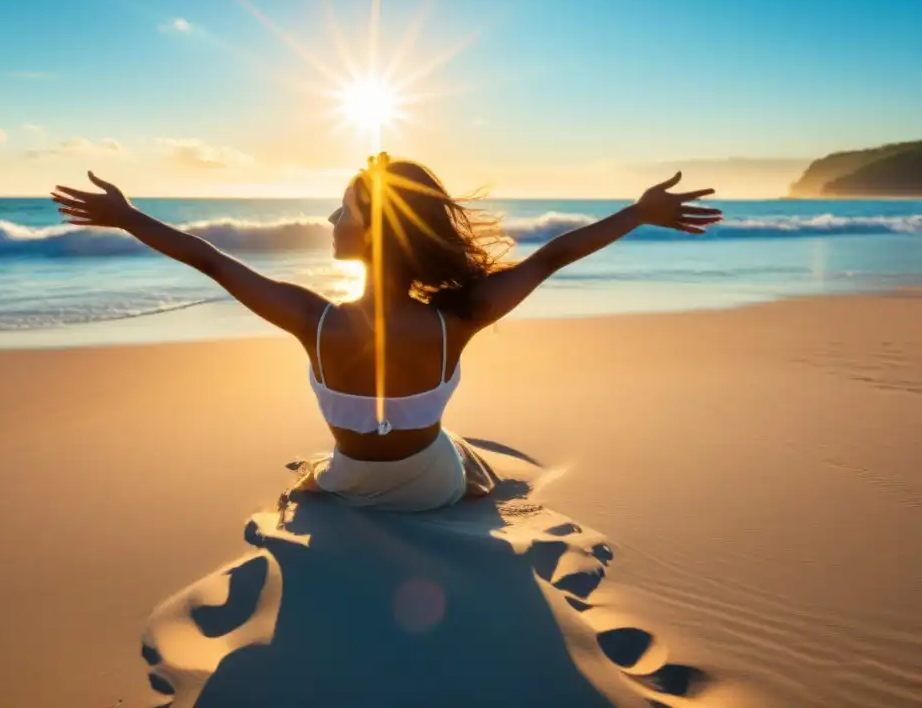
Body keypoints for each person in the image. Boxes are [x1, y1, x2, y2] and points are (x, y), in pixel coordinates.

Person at [51, 154, 720, 511]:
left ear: (371, 231)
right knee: (451, 448)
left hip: (349, 482)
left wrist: (128, 217)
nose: (330, 217)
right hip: (433, 488)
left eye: (343, 208)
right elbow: (548, 258)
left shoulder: (312, 320)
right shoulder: (456, 319)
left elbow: (210, 258)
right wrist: (637, 212)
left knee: (334, 470)